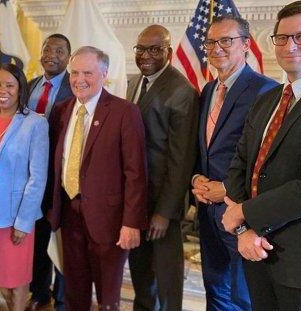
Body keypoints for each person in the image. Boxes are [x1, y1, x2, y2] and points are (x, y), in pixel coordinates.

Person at [222, 1, 301, 310]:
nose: (290, 46)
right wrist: (244, 230)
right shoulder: (268, 100)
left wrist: (244, 213)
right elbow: (239, 168)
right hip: (256, 251)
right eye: (282, 37)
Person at [47, 46, 148, 310]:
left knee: (108, 298)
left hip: (110, 221)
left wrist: (131, 223)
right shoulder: (61, 110)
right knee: (74, 292)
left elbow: (136, 173)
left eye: (88, 73)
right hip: (69, 215)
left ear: (104, 74)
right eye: (75, 72)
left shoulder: (124, 112)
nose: (80, 79)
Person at [191, 15, 277, 311]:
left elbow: (264, 157)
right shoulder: (207, 91)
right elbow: (205, 148)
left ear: (246, 45)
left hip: (240, 211)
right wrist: (196, 180)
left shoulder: (266, 90)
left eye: (226, 41)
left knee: (244, 296)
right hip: (207, 213)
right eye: (211, 42)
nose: (217, 48)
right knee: (214, 289)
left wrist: (225, 188)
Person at [125, 25, 199, 311]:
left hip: (162, 205)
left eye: (155, 49)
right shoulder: (134, 83)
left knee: (166, 279)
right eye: (141, 49)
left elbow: (182, 159)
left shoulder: (182, 90)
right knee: (141, 271)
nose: (146, 55)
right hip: (137, 199)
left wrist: (164, 213)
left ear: (168, 51)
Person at [0, 63, 49, 311]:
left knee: (17, 278)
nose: (2, 90)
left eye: (9, 85)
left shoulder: (35, 123)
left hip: (16, 215)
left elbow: (37, 178)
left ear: (20, 89)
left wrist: (24, 222)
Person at [26, 33, 72, 311]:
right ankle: (39, 293)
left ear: (68, 56)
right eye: (47, 49)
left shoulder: (75, 86)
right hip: (34, 178)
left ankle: (64, 298)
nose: (51, 54)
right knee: (38, 238)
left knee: (63, 240)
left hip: (64, 178)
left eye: (59, 50)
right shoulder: (30, 87)